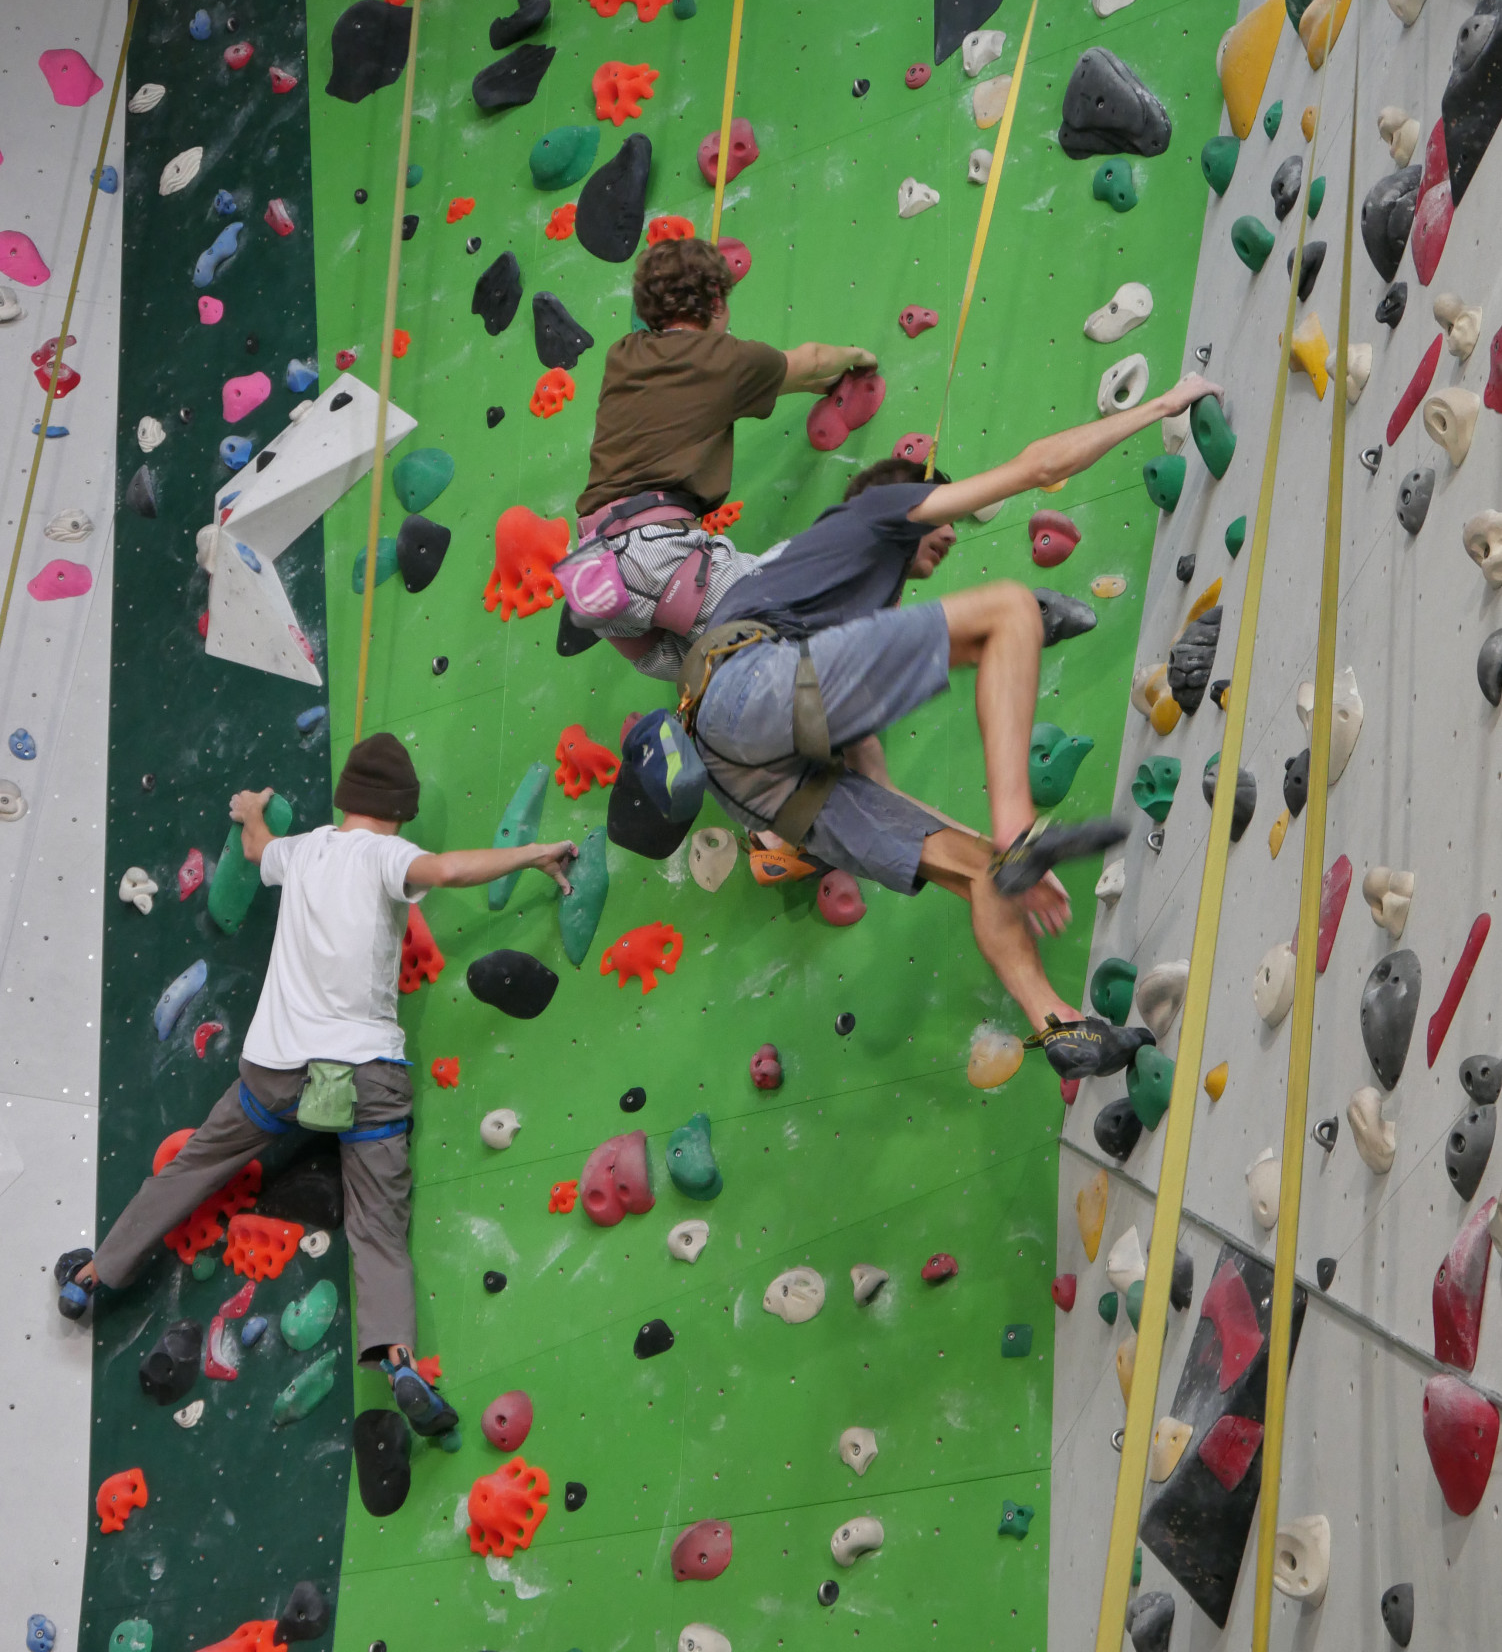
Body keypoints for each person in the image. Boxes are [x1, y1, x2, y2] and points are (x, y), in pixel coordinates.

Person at [676, 373, 1222, 1074]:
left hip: (741, 773)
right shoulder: (877, 509)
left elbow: (876, 785)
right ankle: (1019, 831)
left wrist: (995, 856)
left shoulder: (831, 613)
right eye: (945, 524)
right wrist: (1162, 405)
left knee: (983, 872)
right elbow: (1037, 468)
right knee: (1011, 611)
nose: (950, 541)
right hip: (741, 683)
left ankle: (1058, 1027)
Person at [54, 733, 576, 1440]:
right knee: (377, 1228)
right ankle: (399, 1362)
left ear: (346, 800)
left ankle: (93, 1276)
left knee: (194, 1167)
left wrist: (251, 809)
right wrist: (534, 853)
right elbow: (450, 869)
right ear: (399, 812)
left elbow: (255, 847)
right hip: (367, 1081)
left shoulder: (301, 851)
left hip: (278, 1073)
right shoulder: (389, 856)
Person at [559, 236, 878, 679]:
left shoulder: (624, 355)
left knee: (712, 673)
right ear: (715, 302)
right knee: (788, 602)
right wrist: (861, 357)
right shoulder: (726, 360)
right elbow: (814, 360)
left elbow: (741, 386)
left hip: (594, 574)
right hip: (655, 556)